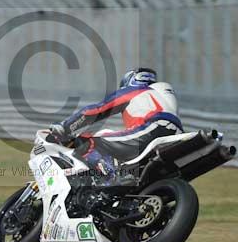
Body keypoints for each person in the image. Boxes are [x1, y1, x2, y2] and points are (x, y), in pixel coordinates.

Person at [50, 67, 183, 186]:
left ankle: (110, 181)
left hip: (153, 129)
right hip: (176, 136)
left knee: (88, 141)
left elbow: (94, 111)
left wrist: (65, 127)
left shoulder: (135, 90)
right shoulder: (159, 94)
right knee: (117, 150)